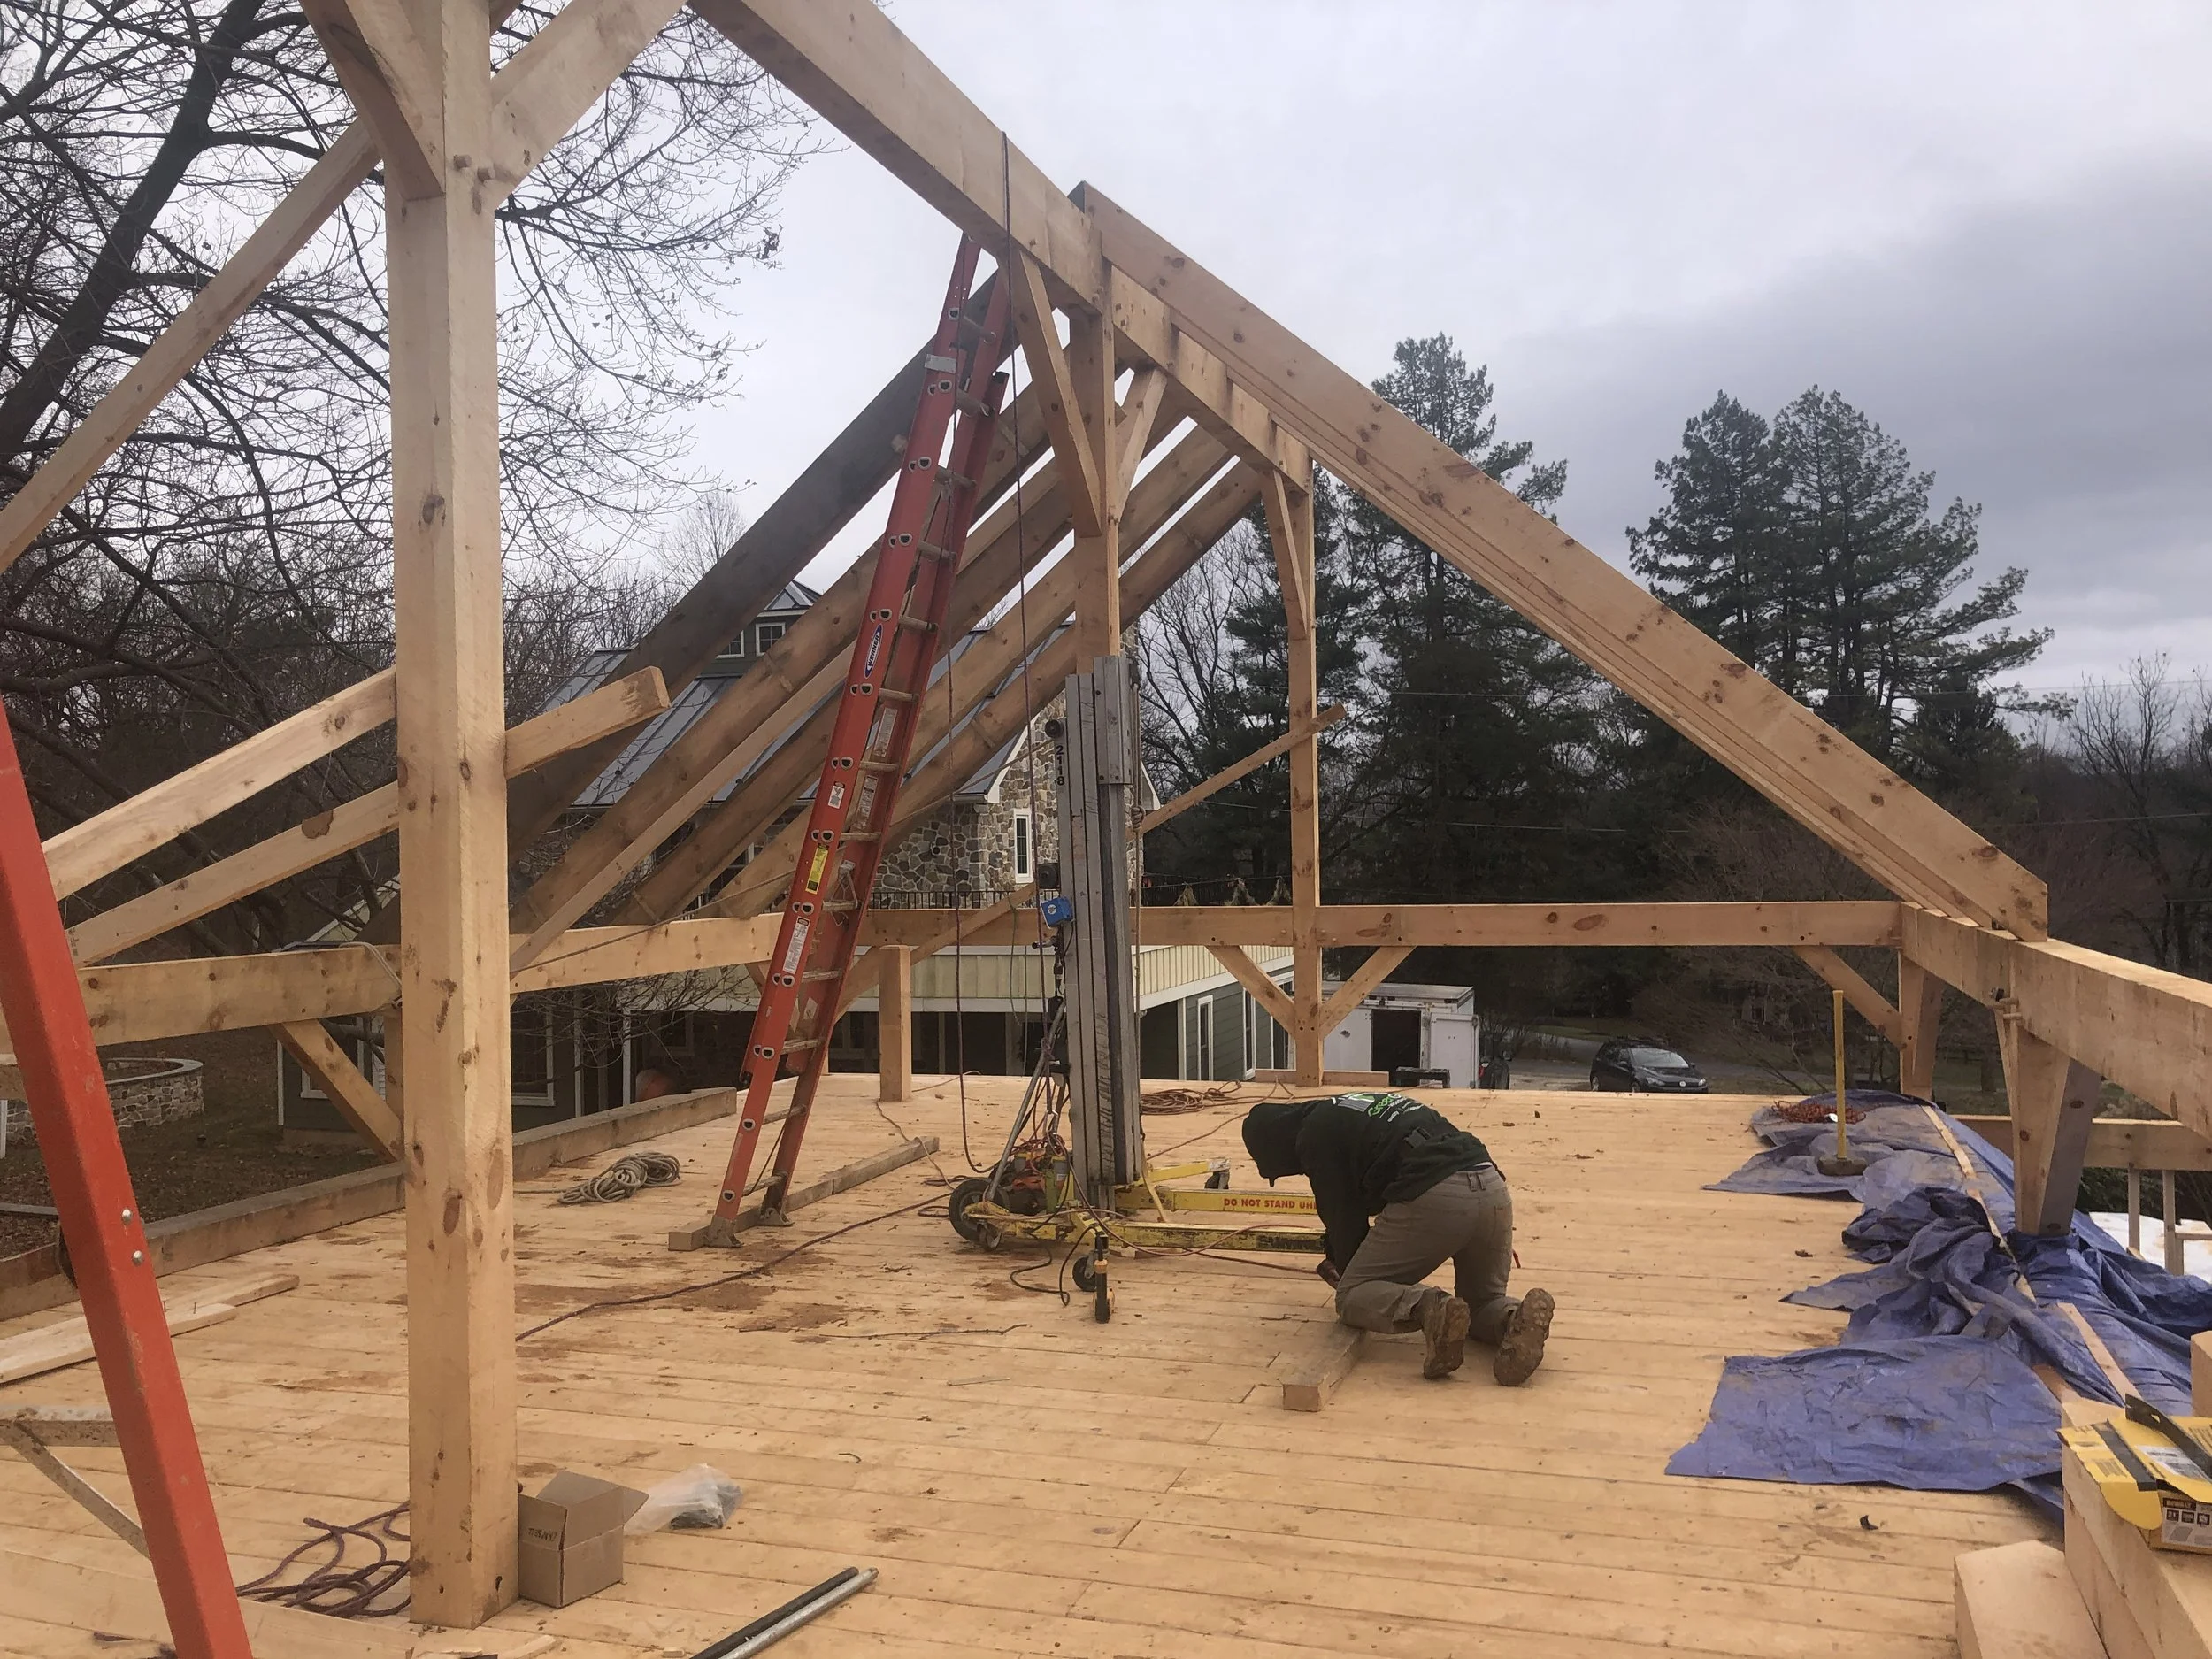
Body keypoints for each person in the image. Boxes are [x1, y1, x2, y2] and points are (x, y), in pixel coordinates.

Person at [1241, 1092, 1554, 1384]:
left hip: (1437, 1195)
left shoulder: (1313, 1137)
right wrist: (1488, 1227)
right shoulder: (1353, 1109)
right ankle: (1514, 1321)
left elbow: (1345, 1220)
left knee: (1351, 1295)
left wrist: (1347, 1271)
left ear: (1277, 1147)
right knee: (1483, 1302)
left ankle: (1431, 1307)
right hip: (1491, 1189)